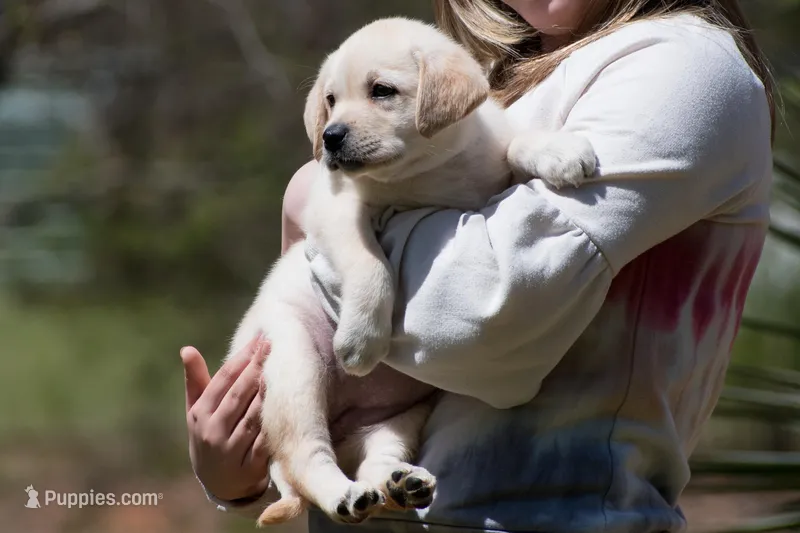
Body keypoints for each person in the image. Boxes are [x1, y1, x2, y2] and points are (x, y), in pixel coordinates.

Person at [181, 0, 775, 531]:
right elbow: (321, 331)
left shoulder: (681, 66)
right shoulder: (491, 80)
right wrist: (246, 469)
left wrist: (310, 201)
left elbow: (488, 317)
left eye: (383, 93)